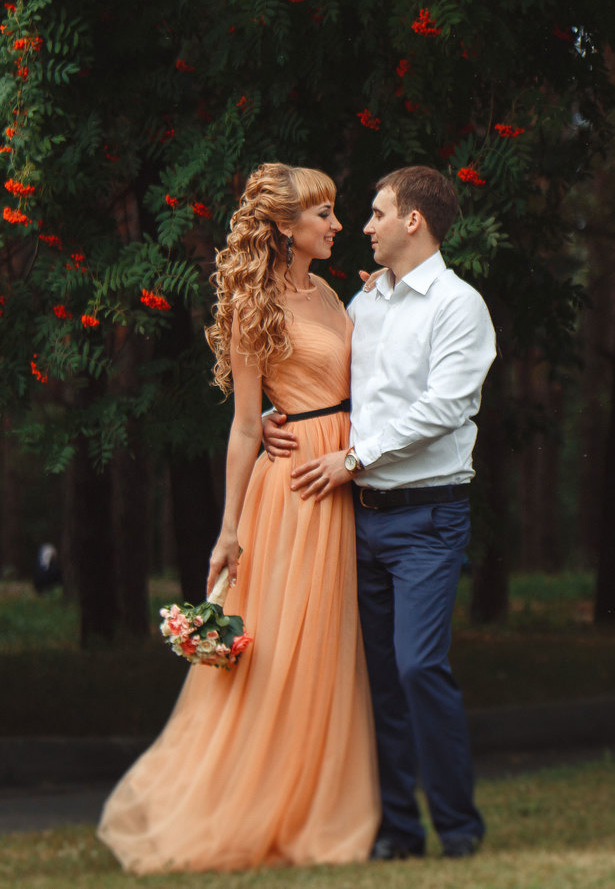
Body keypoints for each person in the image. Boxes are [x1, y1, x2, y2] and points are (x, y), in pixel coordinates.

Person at [96, 164, 378, 873]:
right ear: (285, 226)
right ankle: (259, 806)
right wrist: (229, 530)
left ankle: (316, 803)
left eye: (335, 212)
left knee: (328, 646)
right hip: (293, 489)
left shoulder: (332, 293)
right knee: (286, 652)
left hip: (340, 473)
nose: (337, 225)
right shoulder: (255, 306)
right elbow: (247, 426)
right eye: (323, 214)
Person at [265, 164, 495, 861]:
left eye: (376, 213)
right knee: (378, 682)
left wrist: (355, 458)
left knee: (419, 667)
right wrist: (276, 416)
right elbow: (329, 384)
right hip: (358, 518)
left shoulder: (459, 306)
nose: (363, 227)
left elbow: (444, 407)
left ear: (413, 221)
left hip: (428, 518)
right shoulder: (363, 304)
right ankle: (398, 830)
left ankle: (458, 827)